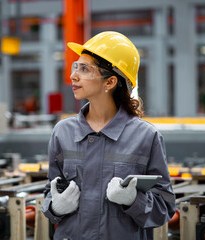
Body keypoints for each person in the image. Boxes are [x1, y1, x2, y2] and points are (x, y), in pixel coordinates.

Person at [42, 31, 175, 240]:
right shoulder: (63, 132)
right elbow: (50, 191)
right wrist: (55, 207)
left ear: (110, 82)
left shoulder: (145, 137)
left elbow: (165, 207)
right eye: (75, 67)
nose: (73, 75)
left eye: (84, 69)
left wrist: (133, 201)